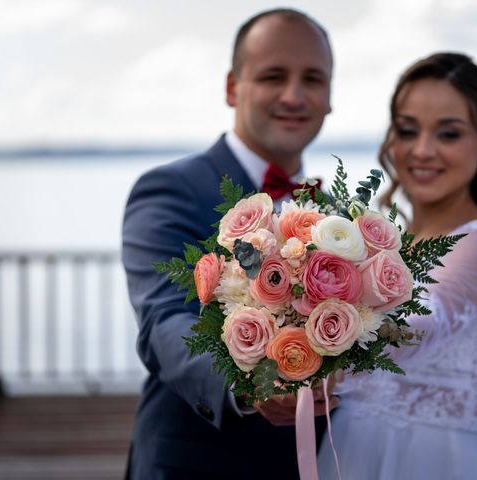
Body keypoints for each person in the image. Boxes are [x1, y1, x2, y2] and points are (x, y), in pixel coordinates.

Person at [122, 9, 336, 479]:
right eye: (273, 76)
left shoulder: (333, 212)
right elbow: (164, 321)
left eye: (313, 79)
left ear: (330, 96)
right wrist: (248, 387)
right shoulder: (171, 189)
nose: (294, 96)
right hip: (198, 462)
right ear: (232, 87)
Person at [318, 52, 477, 480]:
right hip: (353, 453)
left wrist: (314, 315)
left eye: (448, 133)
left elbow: (426, 322)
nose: (422, 151)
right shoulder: (384, 246)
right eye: (408, 130)